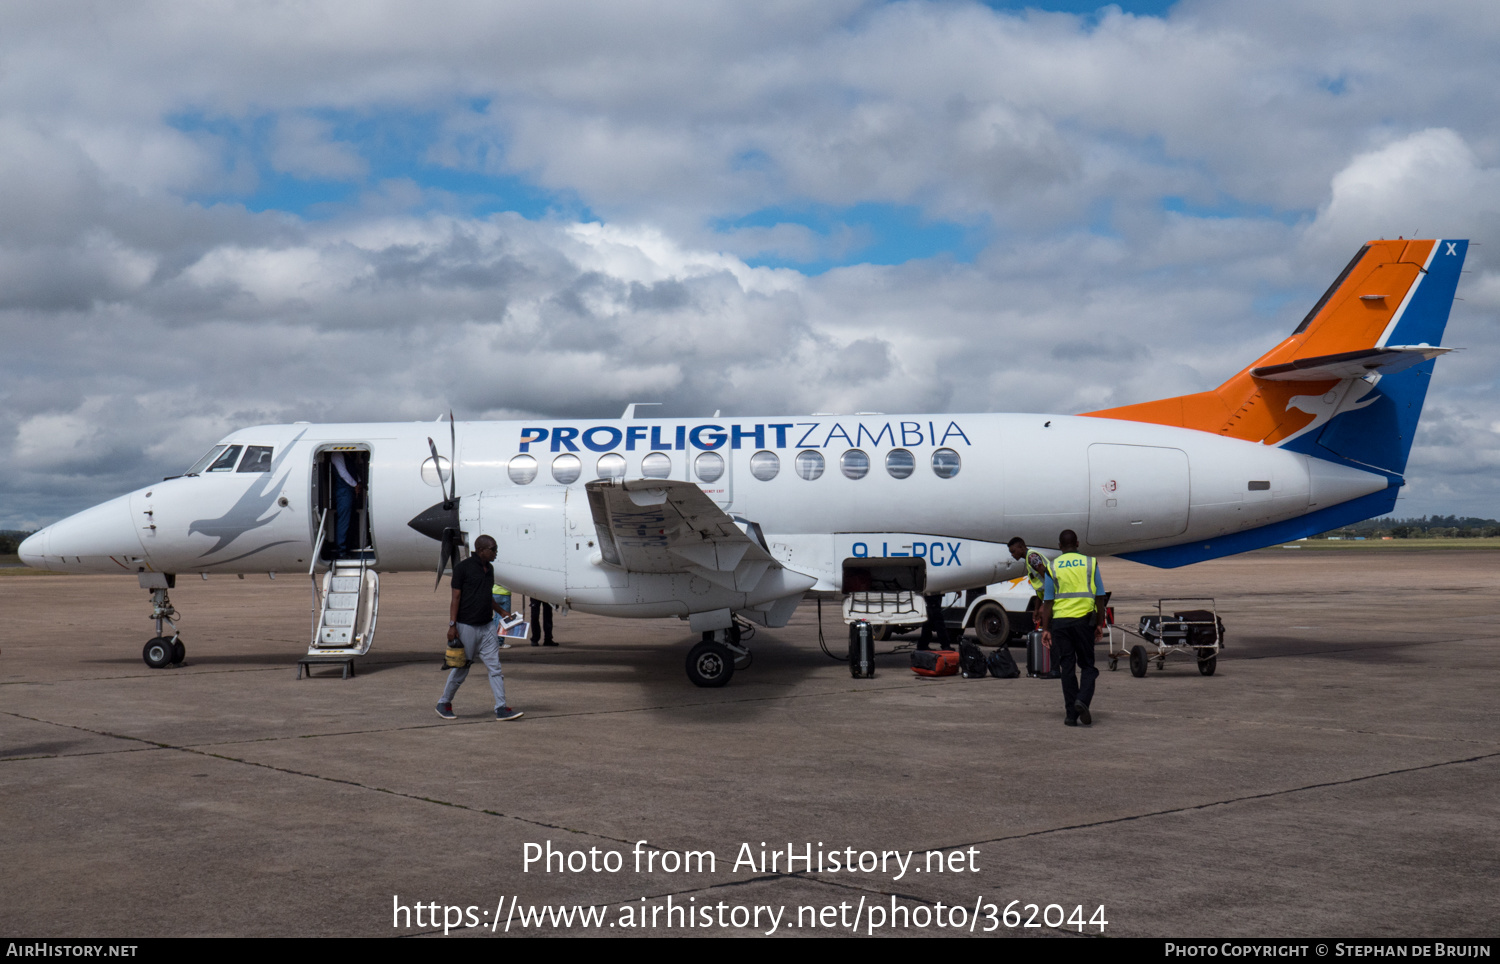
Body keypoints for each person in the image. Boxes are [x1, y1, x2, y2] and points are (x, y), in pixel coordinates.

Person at [436, 535, 523, 721]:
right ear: (481, 549)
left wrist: (501, 611)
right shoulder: (463, 569)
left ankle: (501, 707)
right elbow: (455, 599)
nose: (496, 552)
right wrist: (452, 625)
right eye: (493, 549)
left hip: (487, 626)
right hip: (466, 626)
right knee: (462, 668)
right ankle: (444, 702)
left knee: (495, 668)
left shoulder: (489, 569)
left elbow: (486, 595)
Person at [1039, 529, 1106, 727]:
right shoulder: (1089, 563)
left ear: (1059, 546)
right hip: (1084, 622)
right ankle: (1082, 700)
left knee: (1067, 667)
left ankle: (1070, 715)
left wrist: (1046, 628)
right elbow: (1100, 595)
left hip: (1060, 623)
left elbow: (1048, 600)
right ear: (1077, 543)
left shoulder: (1053, 566)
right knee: (1088, 666)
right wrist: (1100, 623)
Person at [1008, 536, 1050, 629]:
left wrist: (1045, 605)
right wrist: (1036, 609)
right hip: (1049, 598)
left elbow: (1049, 579)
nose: (1012, 555)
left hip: (1053, 598)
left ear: (1021, 547)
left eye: (1013, 551)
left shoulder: (1032, 558)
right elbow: (1040, 589)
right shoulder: (1029, 560)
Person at [330, 451, 362, 557]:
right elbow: (343, 473)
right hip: (344, 491)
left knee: (350, 520)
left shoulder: (348, 455)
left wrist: (359, 482)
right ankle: (341, 551)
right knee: (344, 521)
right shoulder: (337, 455)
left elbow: (353, 472)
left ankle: (348, 548)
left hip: (350, 490)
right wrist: (355, 485)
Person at [490, 581, 514, 650]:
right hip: (504, 593)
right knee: (503, 618)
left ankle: (493, 640)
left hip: (494, 591)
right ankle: (499, 641)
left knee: (496, 617)